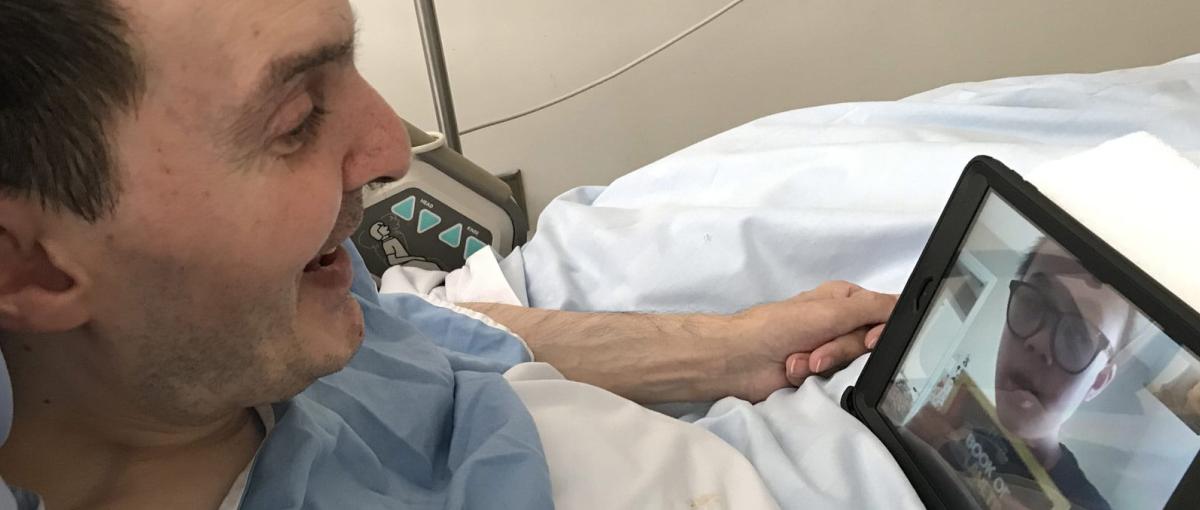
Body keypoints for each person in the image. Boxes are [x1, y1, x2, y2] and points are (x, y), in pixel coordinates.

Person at [0, 0, 897, 508]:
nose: (390, 146)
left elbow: (421, 329)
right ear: (31, 269)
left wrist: (721, 345)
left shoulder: (268, 311)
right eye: (296, 121)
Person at [912, 239, 1137, 510]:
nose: (1039, 342)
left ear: (1098, 381)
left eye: (1078, 337)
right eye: (1032, 303)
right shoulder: (956, 425)